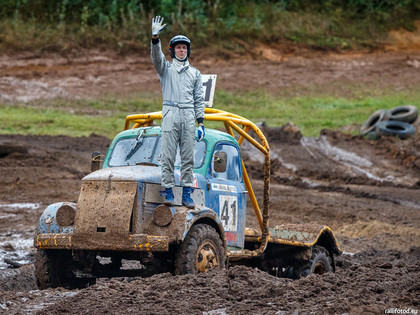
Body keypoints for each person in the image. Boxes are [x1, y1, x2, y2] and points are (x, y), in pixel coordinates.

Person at [150, 16, 205, 209]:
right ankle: (167, 190)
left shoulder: (195, 73)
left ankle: (187, 192)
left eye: (184, 47)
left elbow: (199, 99)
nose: (181, 50)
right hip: (170, 112)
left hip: (189, 114)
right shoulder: (166, 69)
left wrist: (201, 122)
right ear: (172, 50)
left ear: (188, 50)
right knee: (168, 155)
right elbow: (156, 58)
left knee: (189, 156)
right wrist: (155, 39)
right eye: (177, 47)